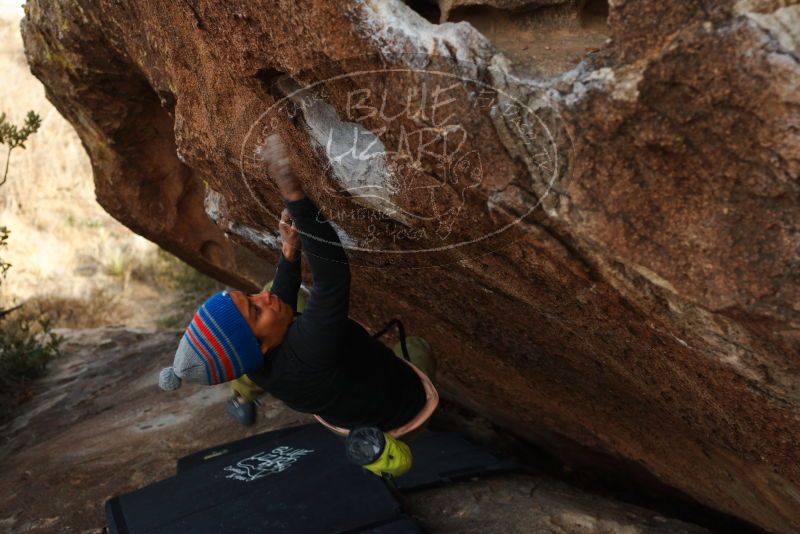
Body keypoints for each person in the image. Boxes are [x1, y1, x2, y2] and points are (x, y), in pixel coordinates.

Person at [158, 133, 438, 477]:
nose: (263, 299)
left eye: (249, 300)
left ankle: (244, 396)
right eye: (255, 310)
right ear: (258, 346)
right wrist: (294, 197)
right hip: (403, 415)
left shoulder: (255, 359)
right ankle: (421, 431)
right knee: (416, 347)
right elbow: (332, 278)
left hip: (340, 411)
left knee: (278, 294)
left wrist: (289, 255)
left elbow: (278, 304)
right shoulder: (309, 353)